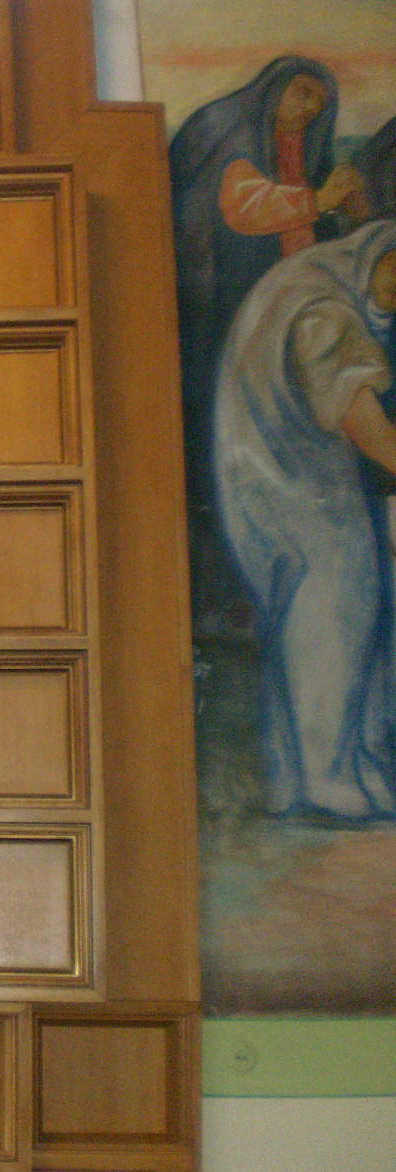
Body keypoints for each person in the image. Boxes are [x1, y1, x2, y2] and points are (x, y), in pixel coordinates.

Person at [169, 58, 363, 631]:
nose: (309, 109)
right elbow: (245, 208)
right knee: (229, 449)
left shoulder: (300, 149)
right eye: (302, 93)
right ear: (274, 89)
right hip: (227, 315)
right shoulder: (230, 134)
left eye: (319, 103)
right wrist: (321, 200)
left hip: (281, 317)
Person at [214, 219, 396, 819]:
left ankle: (333, 770)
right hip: (291, 486)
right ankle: (327, 777)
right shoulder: (323, 309)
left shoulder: (326, 278)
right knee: (336, 611)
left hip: (280, 475)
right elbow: (371, 432)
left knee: (337, 612)